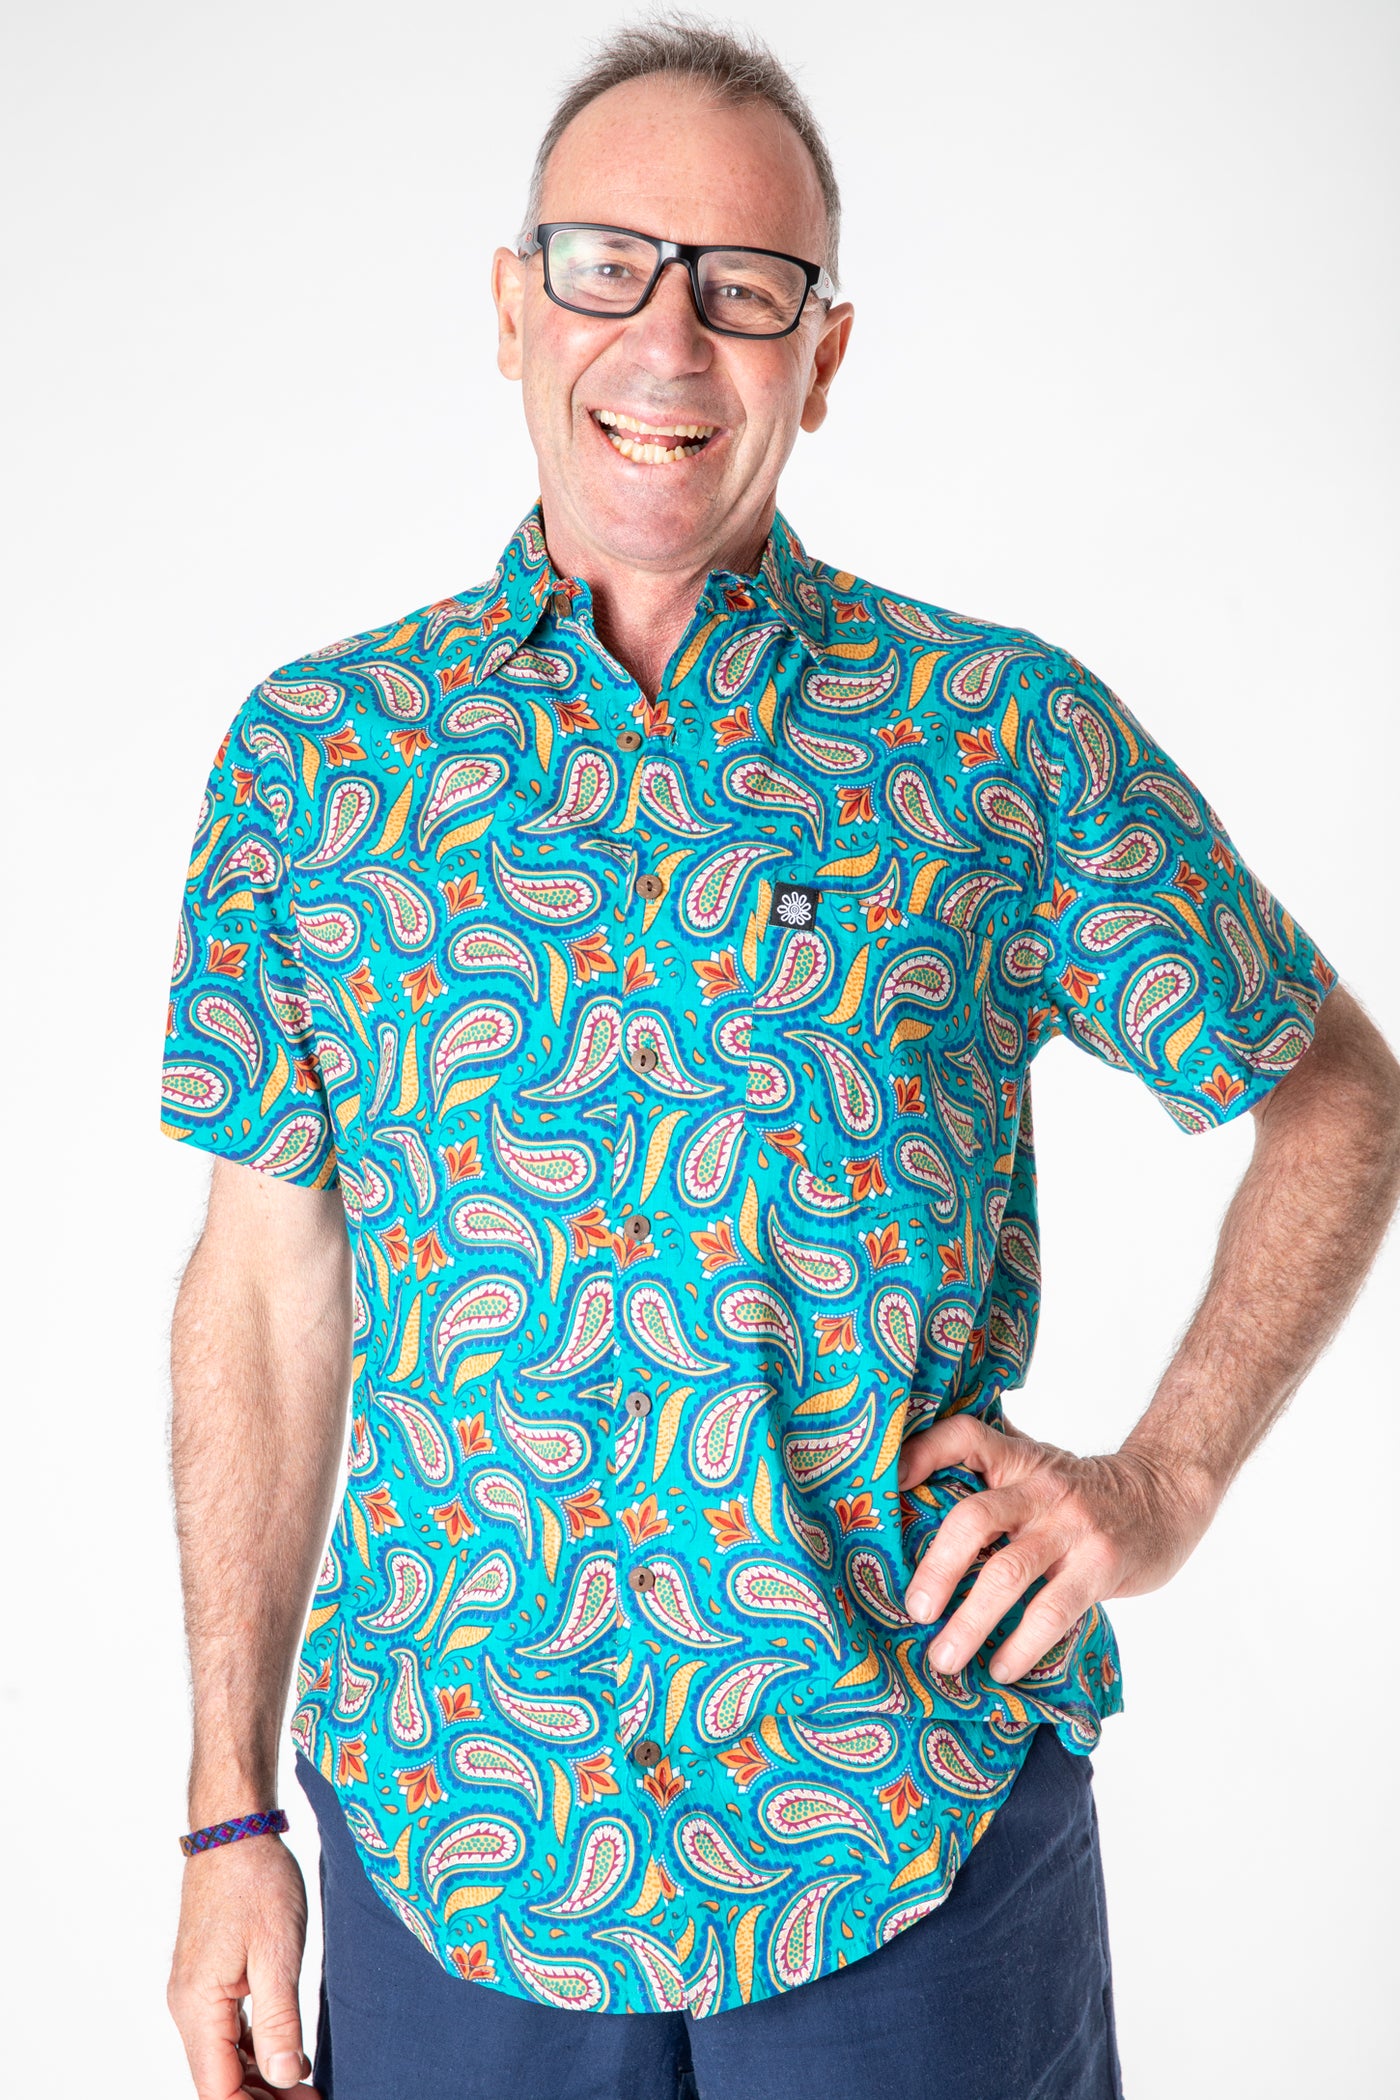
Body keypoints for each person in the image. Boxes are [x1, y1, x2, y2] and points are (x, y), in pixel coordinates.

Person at [160, 19, 1400, 2100]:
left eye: (745, 289)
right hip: (449, 1829)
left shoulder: (992, 735)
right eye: (604, 266)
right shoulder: (316, 762)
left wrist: (1164, 1479)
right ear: (511, 306)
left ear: (821, 357)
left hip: (902, 1827)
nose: (667, 340)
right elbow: (266, 1292)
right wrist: (224, 1823)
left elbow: (1335, 1086)